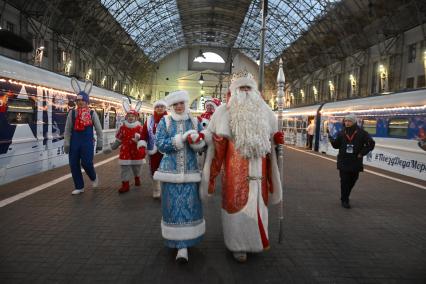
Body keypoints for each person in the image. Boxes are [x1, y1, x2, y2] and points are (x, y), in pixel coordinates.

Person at [200, 70, 284, 263]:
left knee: (258, 207)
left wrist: (277, 140)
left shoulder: (265, 112)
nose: (245, 91)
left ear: (254, 91)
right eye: (241, 87)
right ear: (234, 91)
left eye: (248, 87)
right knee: (237, 209)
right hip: (235, 175)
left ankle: (255, 242)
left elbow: (270, 143)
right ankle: (237, 246)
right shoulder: (224, 113)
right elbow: (217, 145)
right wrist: (210, 175)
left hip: (260, 174)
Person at [153, 90, 206, 263]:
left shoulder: (194, 120)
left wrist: (197, 141)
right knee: (173, 208)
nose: (179, 106)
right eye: (175, 104)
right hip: (170, 173)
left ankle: (185, 244)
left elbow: (202, 145)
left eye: (181, 103)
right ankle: (178, 244)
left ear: (186, 103)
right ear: (172, 106)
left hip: (190, 172)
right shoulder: (165, 121)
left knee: (190, 208)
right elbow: (160, 144)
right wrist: (180, 139)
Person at [64, 78, 103, 195]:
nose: (80, 103)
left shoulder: (92, 113)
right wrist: (67, 143)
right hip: (75, 142)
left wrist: (100, 143)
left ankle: (94, 177)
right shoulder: (72, 113)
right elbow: (67, 130)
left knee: (86, 163)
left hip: (87, 142)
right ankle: (79, 186)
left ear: (87, 102)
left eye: (82, 101)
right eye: (78, 101)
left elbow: (99, 129)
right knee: (73, 164)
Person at [328, 113, 375, 208]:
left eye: (349, 121)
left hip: (355, 161)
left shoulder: (362, 133)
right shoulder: (342, 133)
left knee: (353, 179)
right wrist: (331, 139)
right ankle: (345, 200)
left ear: (353, 122)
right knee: (344, 181)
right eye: (345, 121)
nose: (347, 123)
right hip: (343, 160)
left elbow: (371, 144)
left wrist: (362, 153)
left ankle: (345, 195)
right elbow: (336, 145)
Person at [105, 100, 146, 194]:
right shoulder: (122, 128)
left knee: (136, 168)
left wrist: (140, 142)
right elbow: (118, 140)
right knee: (125, 168)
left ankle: (137, 177)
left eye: (133, 116)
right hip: (125, 151)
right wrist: (111, 148)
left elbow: (143, 140)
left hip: (136, 151)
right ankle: (125, 185)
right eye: (129, 116)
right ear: (126, 117)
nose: (131, 118)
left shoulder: (140, 128)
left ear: (136, 118)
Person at [139, 99, 168, 198]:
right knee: (154, 170)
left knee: (166, 170)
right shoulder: (149, 120)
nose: (159, 108)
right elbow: (144, 134)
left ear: (165, 108)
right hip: (153, 150)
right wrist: (142, 144)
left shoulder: (170, 119)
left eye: (161, 107)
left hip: (167, 149)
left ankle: (165, 189)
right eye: (157, 107)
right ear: (154, 108)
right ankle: (156, 189)